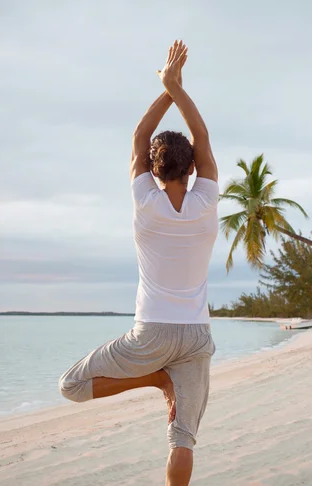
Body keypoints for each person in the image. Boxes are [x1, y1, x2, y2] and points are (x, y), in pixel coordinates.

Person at [58, 40, 219, 486]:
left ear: (153, 169)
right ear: (191, 170)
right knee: (182, 439)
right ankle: (162, 381)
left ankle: (153, 380)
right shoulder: (206, 201)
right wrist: (177, 88)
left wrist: (166, 88)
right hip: (196, 337)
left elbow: (137, 139)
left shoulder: (145, 202)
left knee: (70, 385)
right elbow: (202, 138)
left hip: (151, 334)